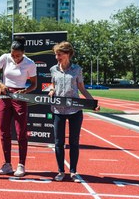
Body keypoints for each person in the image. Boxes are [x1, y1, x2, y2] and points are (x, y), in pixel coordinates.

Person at [48, 41, 100, 182]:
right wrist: (52, 90)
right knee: (58, 142)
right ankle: (60, 171)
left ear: (68, 54)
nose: (57, 57)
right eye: (56, 55)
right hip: (58, 109)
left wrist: (92, 102)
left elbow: (82, 89)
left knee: (74, 141)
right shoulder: (53, 69)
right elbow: (53, 85)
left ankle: (73, 172)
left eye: (59, 54)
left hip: (75, 110)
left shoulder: (77, 69)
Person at [0, 40, 37, 177]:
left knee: (21, 131)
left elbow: (34, 84)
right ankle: (7, 164)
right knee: (4, 130)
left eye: (18, 56)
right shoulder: (5, 58)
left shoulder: (30, 63)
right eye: (13, 54)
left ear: (23, 53)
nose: (15, 58)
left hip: (20, 97)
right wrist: (0, 84)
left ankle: (21, 164)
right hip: (5, 94)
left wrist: (25, 91)